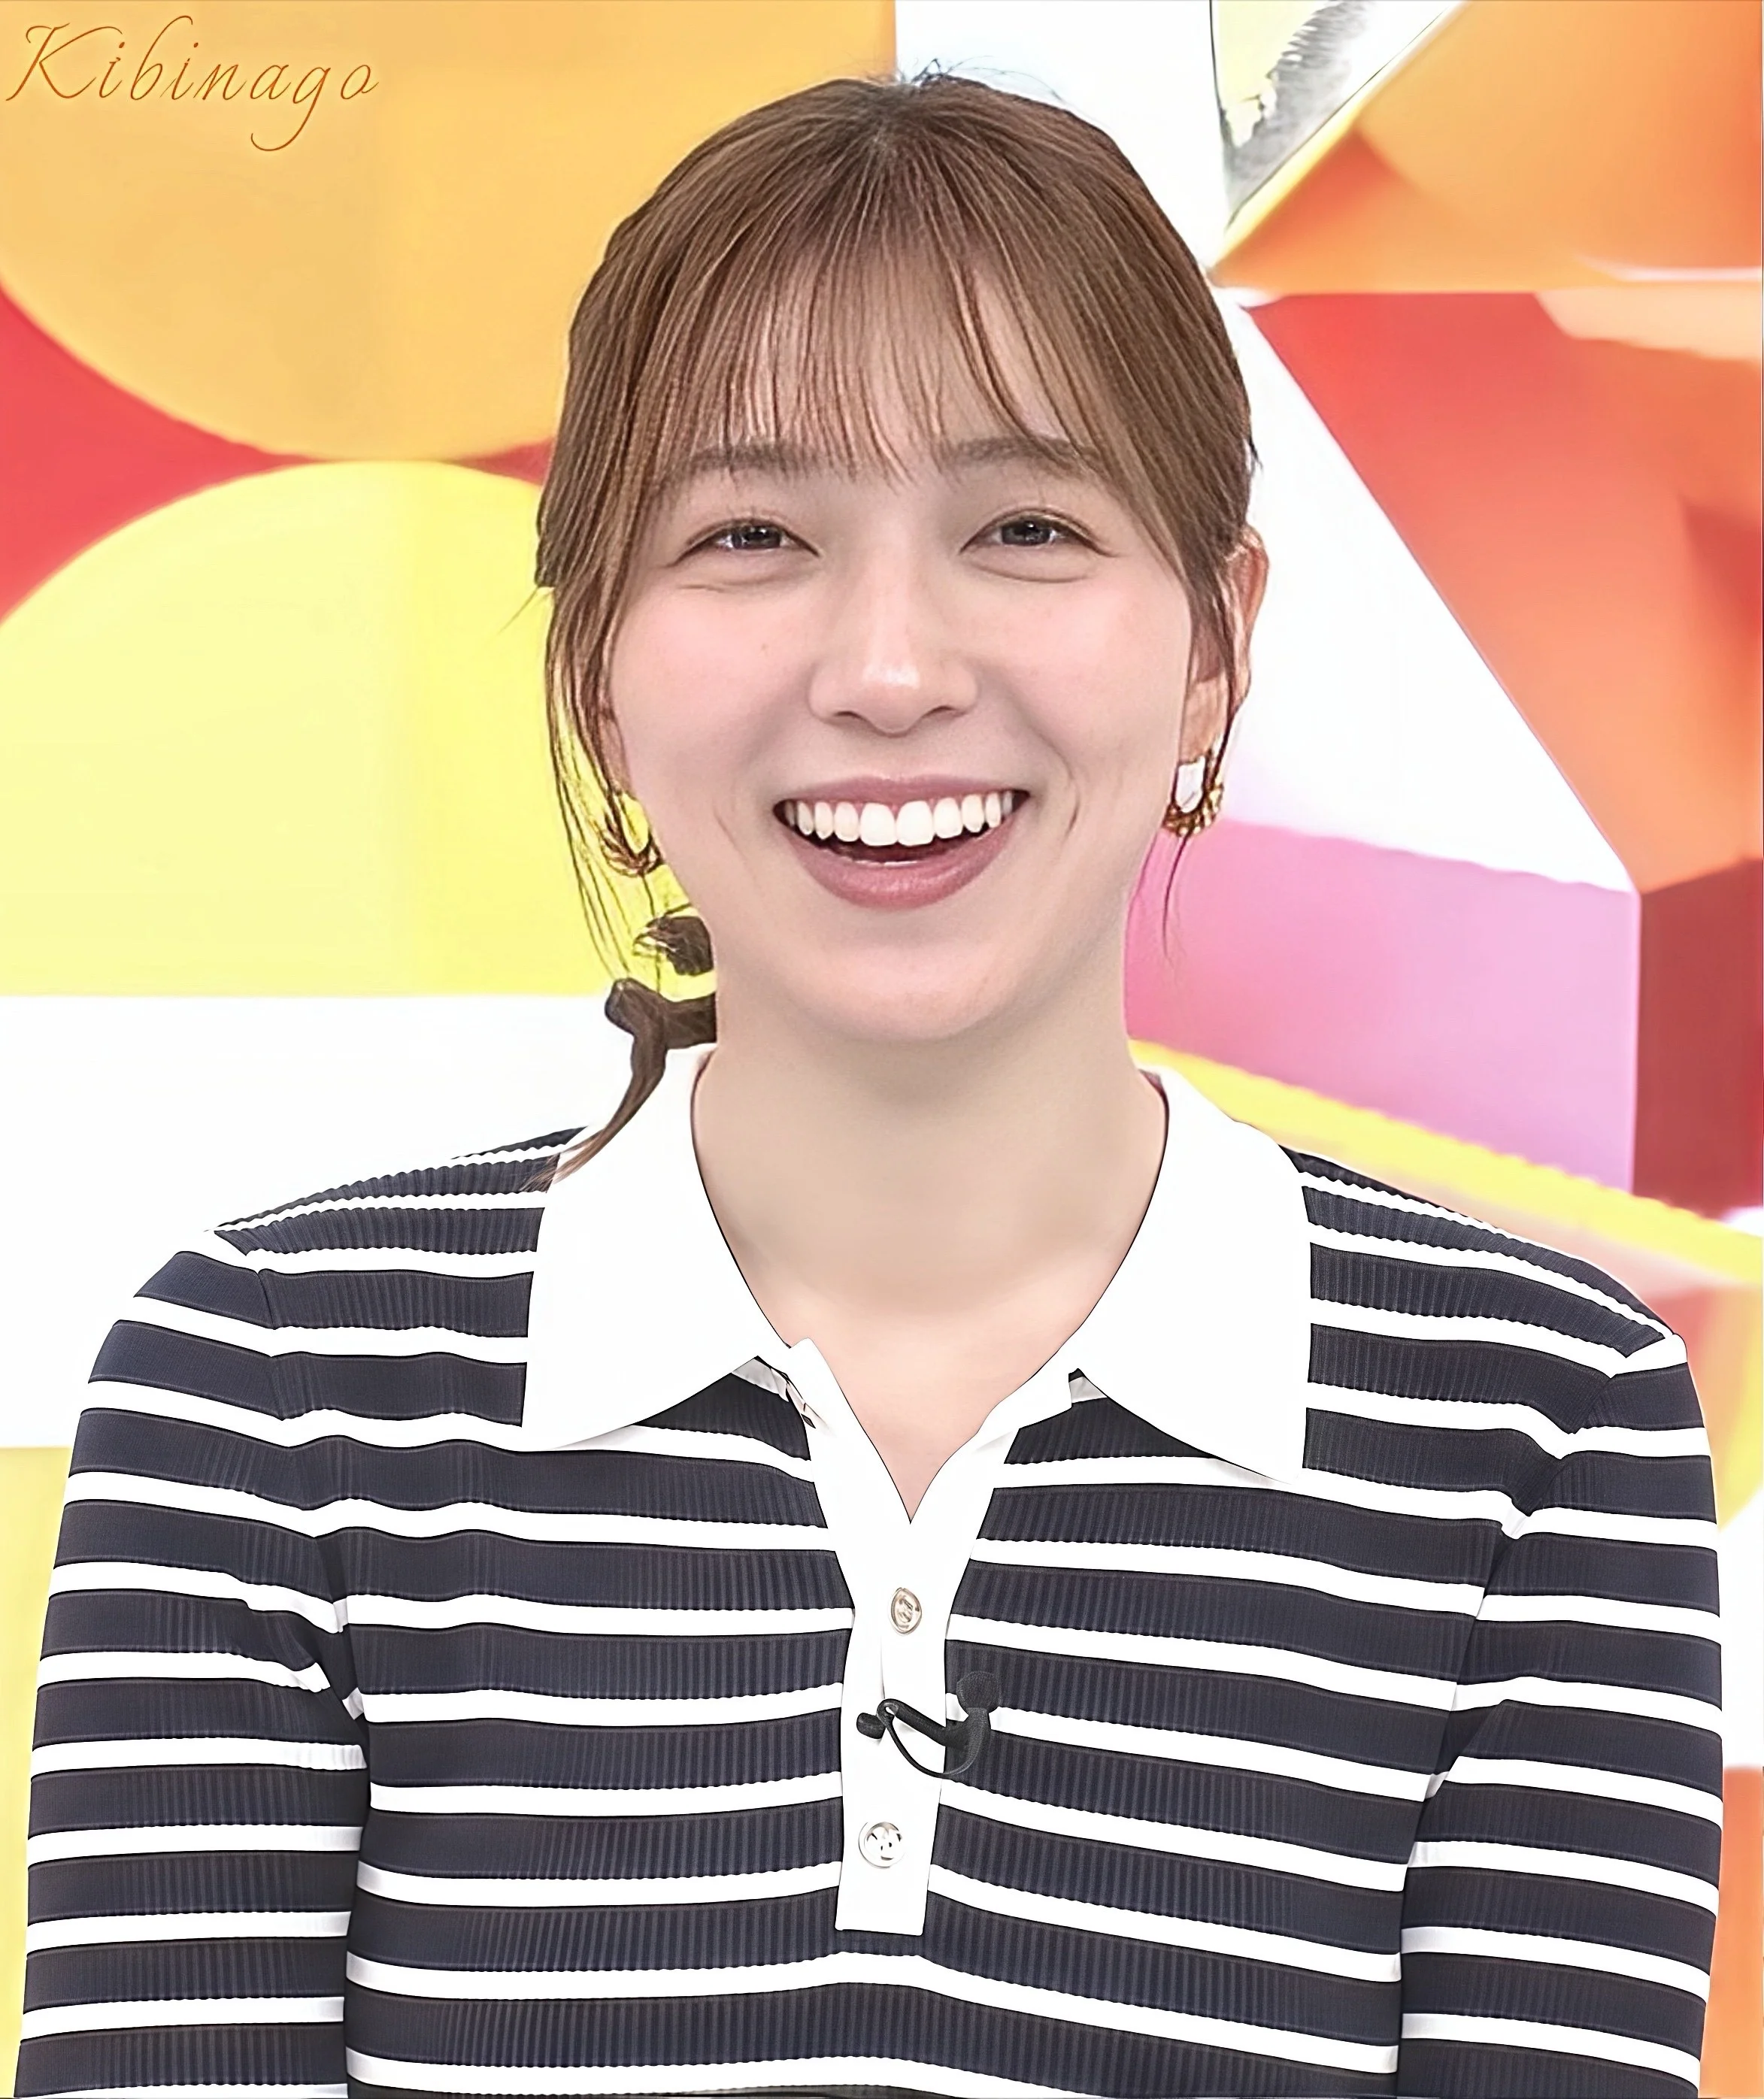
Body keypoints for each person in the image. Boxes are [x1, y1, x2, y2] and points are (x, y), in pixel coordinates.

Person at [18, 71, 1722, 2099]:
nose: (891, 670)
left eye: (1026, 528)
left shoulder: (1540, 1427)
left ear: (1213, 645)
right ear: (596, 666)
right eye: (752, 536)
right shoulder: (264, 1395)